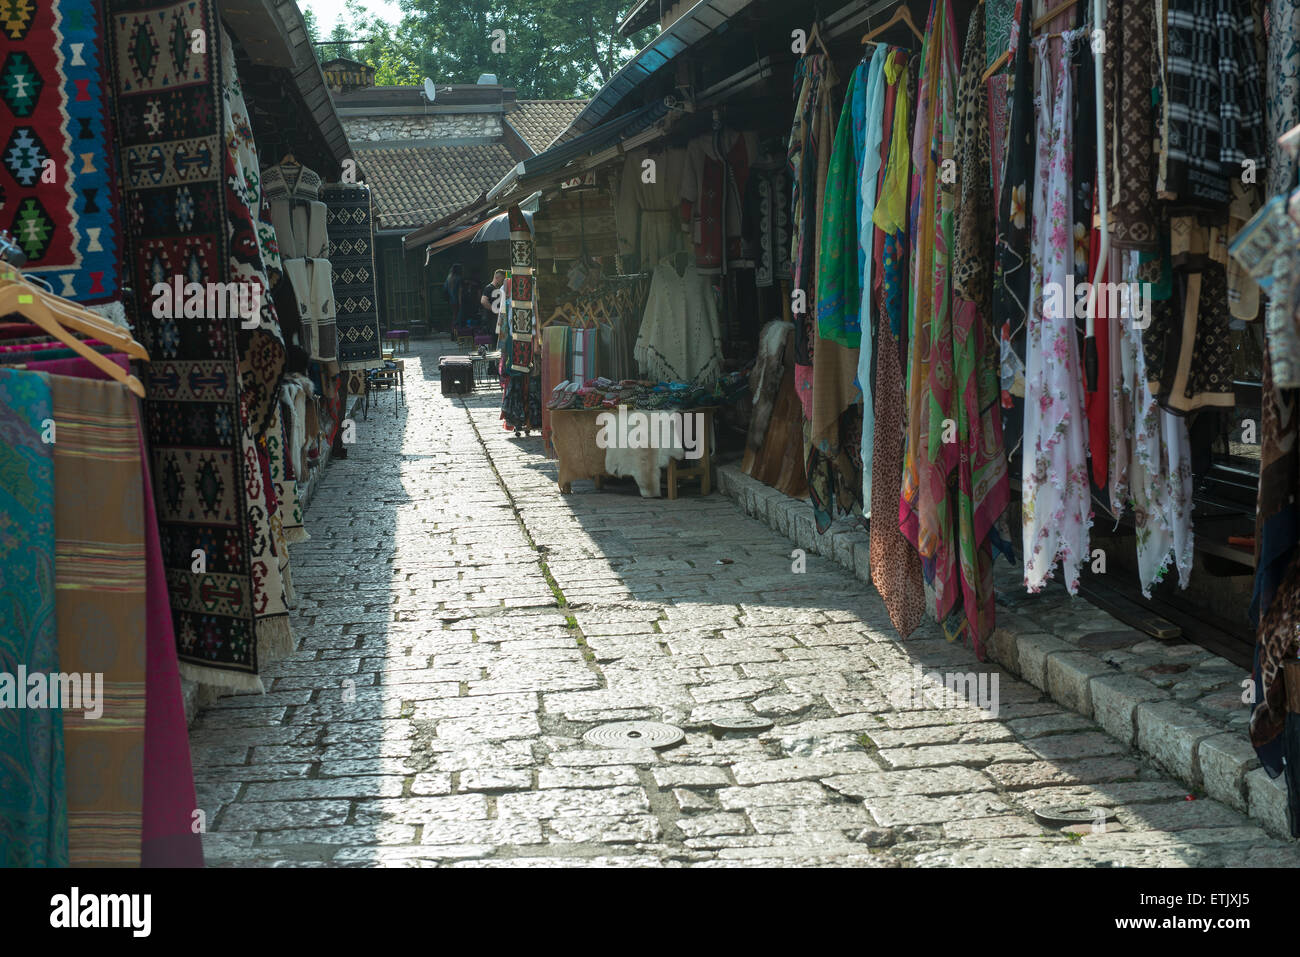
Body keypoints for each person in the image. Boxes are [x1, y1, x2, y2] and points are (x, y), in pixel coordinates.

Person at [480, 268, 506, 334]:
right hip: (490, 319)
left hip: (495, 319)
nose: (503, 281)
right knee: (494, 338)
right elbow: (483, 301)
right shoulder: (489, 288)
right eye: (502, 279)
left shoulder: (498, 289)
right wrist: (495, 310)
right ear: (497, 277)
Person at [444, 263, 463, 329]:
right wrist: (460, 302)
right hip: (457, 300)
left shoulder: (448, 278)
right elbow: (459, 292)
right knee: (458, 315)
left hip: (451, 300)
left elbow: (445, 289)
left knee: (454, 315)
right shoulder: (458, 278)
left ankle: (453, 330)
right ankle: (456, 330)